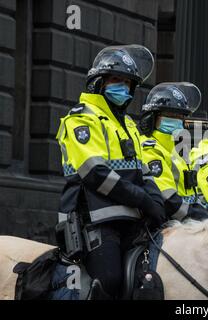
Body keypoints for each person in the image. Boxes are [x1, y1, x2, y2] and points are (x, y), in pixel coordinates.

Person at [56, 45, 166, 299]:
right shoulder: (80, 120)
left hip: (132, 221)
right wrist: (141, 199)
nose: (123, 87)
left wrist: (156, 201)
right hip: (92, 220)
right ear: (99, 83)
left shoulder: (128, 124)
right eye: (116, 80)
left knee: (148, 282)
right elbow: (95, 174)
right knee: (109, 281)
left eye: (128, 83)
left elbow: (144, 172)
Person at [139, 82, 208, 221]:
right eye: (169, 114)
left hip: (186, 222)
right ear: (151, 118)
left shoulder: (178, 150)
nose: (176, 120)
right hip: (168, 224)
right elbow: (166, 197)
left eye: (180, 117)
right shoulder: (149, 149)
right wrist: (196, 216)